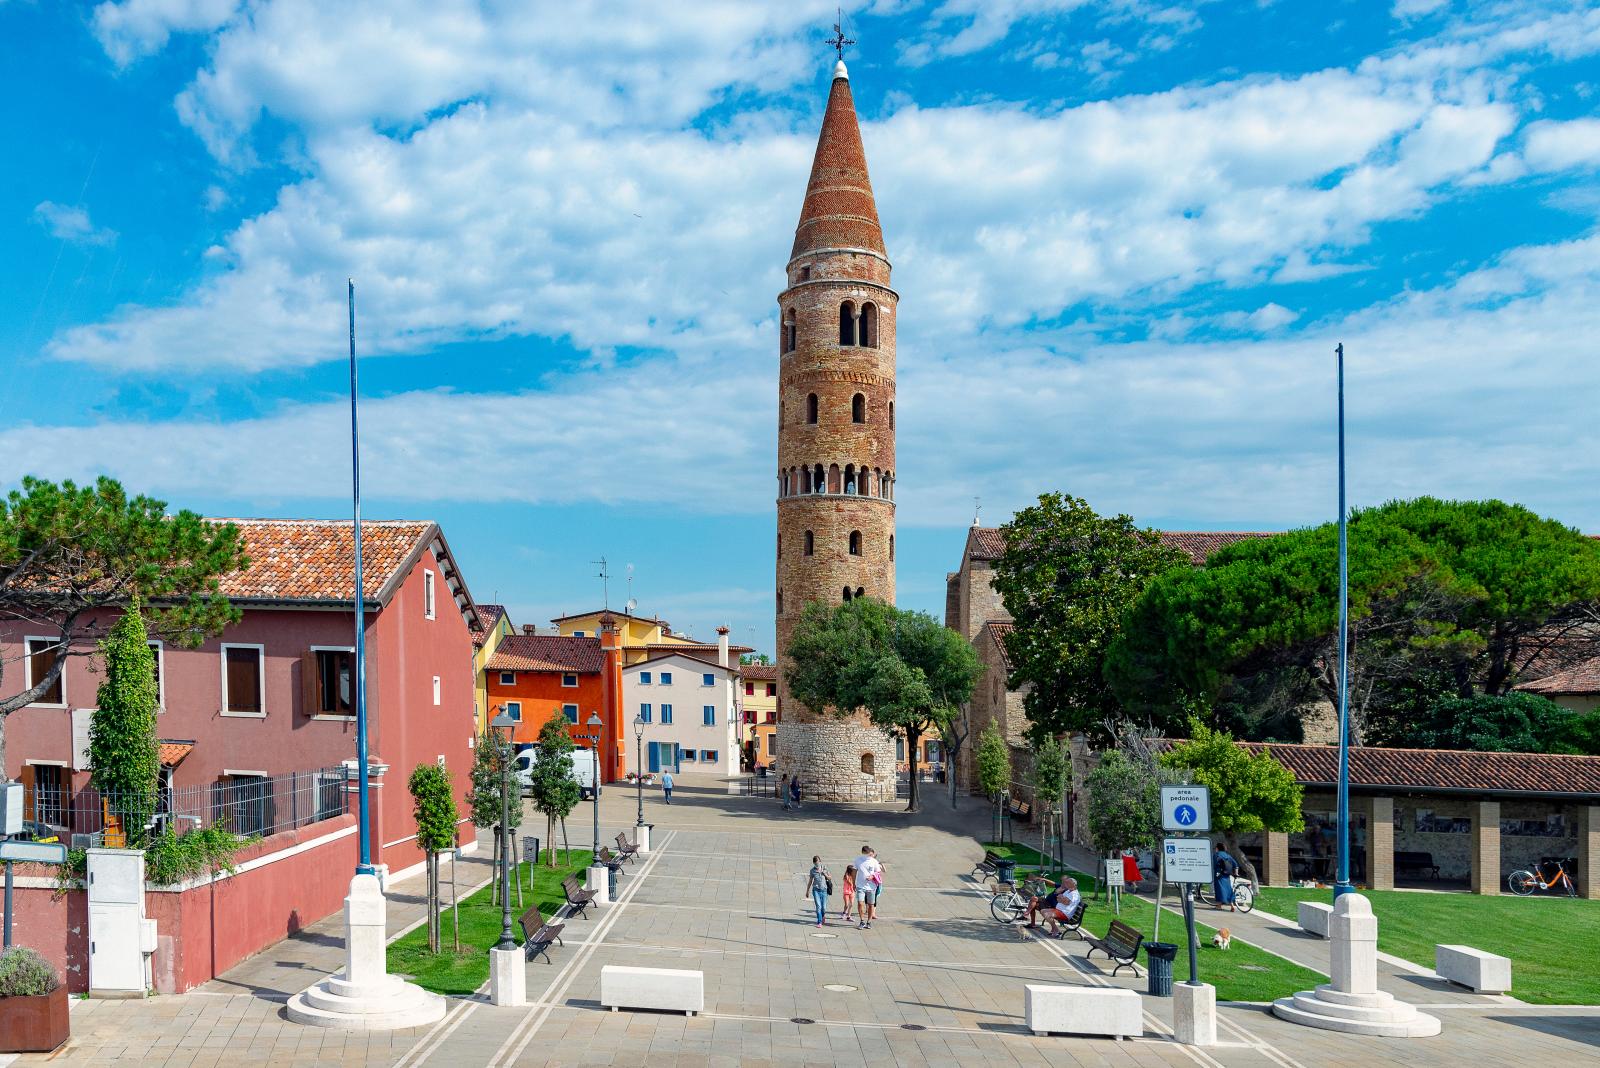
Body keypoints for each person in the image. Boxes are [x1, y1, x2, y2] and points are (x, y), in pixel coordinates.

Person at [853, 845, 882, 929]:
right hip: (860, 885)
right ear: (863, 852)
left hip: (871, 886)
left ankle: (869, 921)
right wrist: (853, 883)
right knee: (860, 903)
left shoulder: (874, 861)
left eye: (868, 853)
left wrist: (872, 877)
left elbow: (878, 872)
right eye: (866, 853)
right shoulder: (858, 860)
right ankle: (862, 921)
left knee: (871, 904)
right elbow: (854, 871)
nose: (867, 855)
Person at [805, 855, 830, 928]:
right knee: (818, 906)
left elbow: (830, 877)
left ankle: (823, 916)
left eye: (818, 862)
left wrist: (824, 874)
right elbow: (810, 881)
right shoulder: (812, 870)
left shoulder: (824, 868)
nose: (817, 864)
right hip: (816, 890)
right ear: (814, 863)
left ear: (820, 861)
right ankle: (819, 921)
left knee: (824, 907)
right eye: (815, 863)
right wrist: (807, 891)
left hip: (824, 890)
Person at [1212, 843, 1238, 910]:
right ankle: (1232, 905)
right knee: (1228, 889)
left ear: (1217, 848)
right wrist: (1236, 874)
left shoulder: (1216, 855)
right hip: (1227, 875)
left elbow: (1213, 864)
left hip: (1218, 874)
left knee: (1219, 890)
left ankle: (1219, 906)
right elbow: (1235, 865)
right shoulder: (1228, 855)